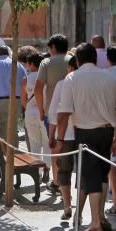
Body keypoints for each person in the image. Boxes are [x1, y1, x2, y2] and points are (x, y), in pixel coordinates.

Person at [56, 43, 116, 231]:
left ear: (78, 60)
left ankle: (95, 224)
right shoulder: (109, 77)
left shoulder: (72, 78)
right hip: (107, 131)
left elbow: (63, 113)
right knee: (102, 174)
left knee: (91, 178)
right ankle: (101, 218)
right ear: (96, 58)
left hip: (85, 133)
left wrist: (60, 139)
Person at [48, 54, 78, 221]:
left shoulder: (62, 84)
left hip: (64, 134)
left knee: (64, 170)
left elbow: (54, 113)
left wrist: (52, 135)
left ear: (70, 68)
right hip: (84, 132)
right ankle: (79, 210)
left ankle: (67, 205)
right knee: (84, 172)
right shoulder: (86, 84)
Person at [0, 45, 26, 135]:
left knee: (2, 130)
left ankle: (4, 149)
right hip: (17, 100)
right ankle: (13, 148)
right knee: (13, 129)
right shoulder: (18, 65)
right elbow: (25, 83)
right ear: (8, 53)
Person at [21, 49, 49, 178]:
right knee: (47, 141)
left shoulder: (26, 79)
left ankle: (36, 171)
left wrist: (27, 107)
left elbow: (22, 98)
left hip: (30, 112)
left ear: (32, 64)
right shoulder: (46, 78)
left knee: (34, 142)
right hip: (44, 112)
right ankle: (47, 168)